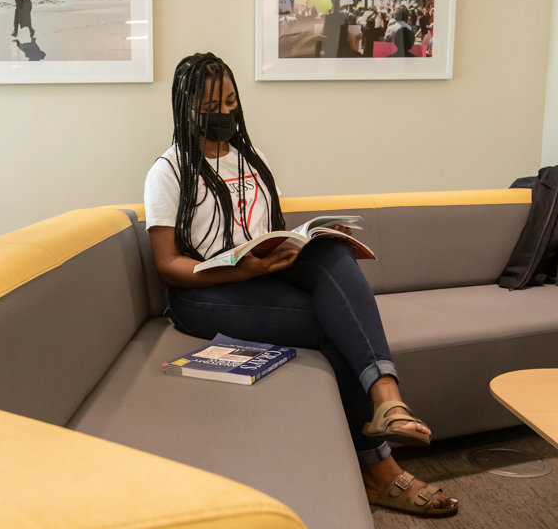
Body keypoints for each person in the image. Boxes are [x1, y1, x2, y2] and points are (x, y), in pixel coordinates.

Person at [144, 52, 459, 518]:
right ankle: (380, 469)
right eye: (213, 105)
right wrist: (240, 271)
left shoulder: (253, 159)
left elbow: (268, 229)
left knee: (329, 251)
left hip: (257, 280)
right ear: (186, 109)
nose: (226, 113)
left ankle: (387, 399)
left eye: (232, 101)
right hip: (203, 296)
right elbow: (168, 265)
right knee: (333, 327)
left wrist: (294, 246)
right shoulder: (168, 173)